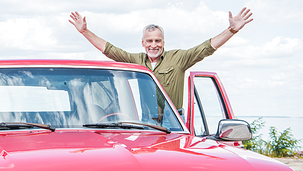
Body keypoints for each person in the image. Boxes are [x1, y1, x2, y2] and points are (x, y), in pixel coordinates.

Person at [69, 8, 253, 120]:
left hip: (174, 120)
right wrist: (85, 32)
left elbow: (206, 47)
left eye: (158, 41)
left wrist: (231, 30)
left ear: (163, 43)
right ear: (143, 43)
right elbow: (110, 50)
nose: (153, 45)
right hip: (148, 120)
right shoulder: (137, 61)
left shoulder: (178, 58)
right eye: (149, 41)